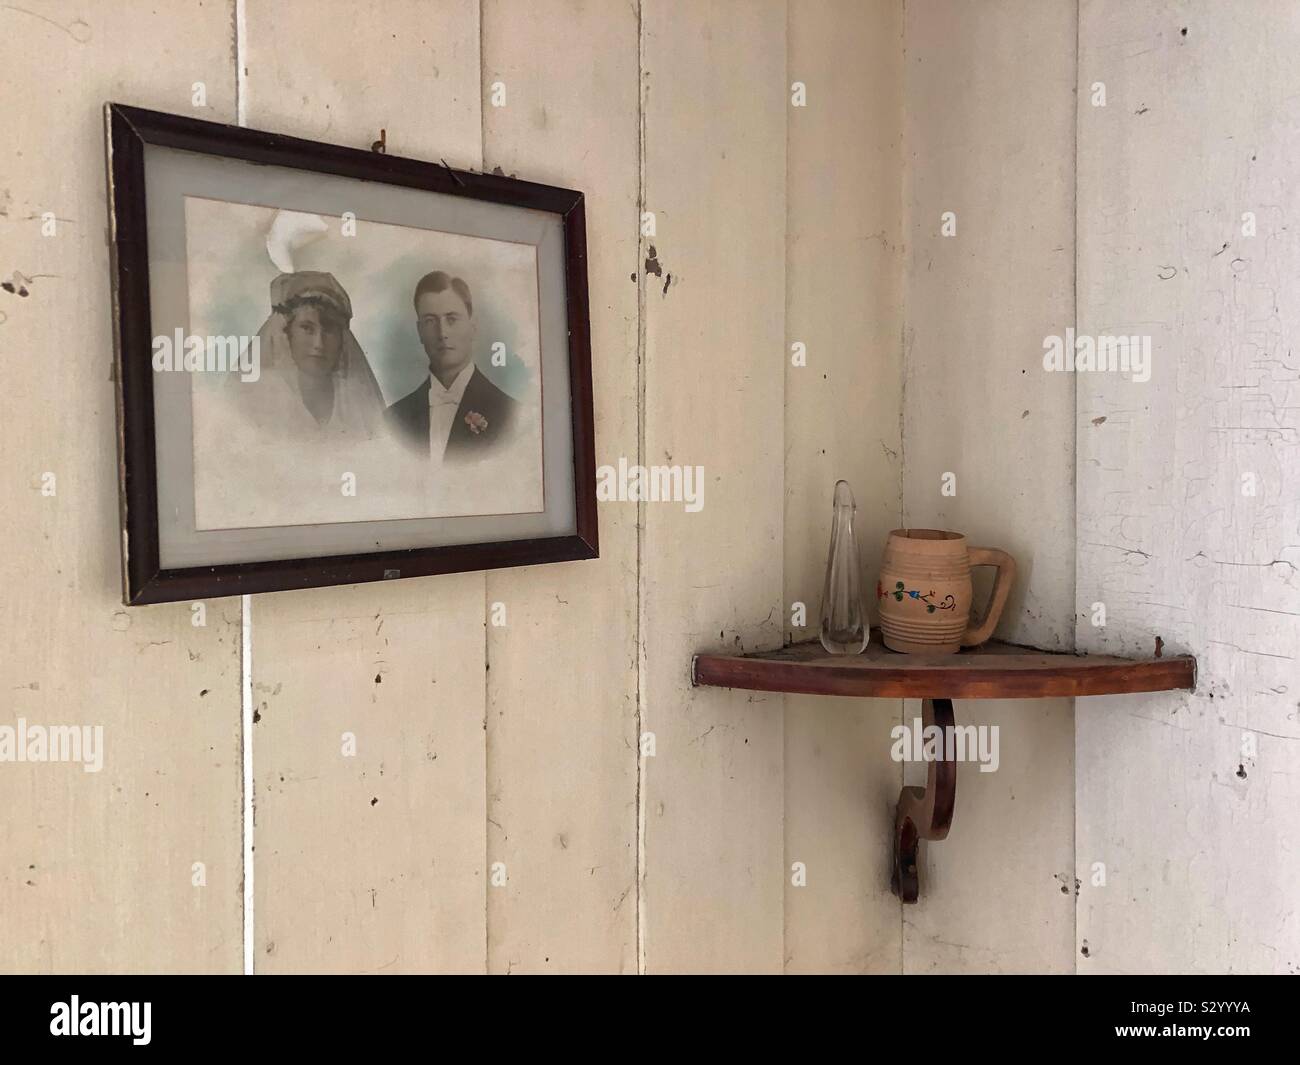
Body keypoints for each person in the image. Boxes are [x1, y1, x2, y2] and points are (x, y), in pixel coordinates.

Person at [385, 270, 518, 463]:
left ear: (472, 327)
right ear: (420, 331)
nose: (442, 333)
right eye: (430, 321)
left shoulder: (507, 412)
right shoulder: (394, 418)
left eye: (452, 319)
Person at [242, 271, 386, 441]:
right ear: (287, 334)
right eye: (307, 328)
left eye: (329, 330)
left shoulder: (359, 402)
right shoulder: (257, 401)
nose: (319, 344)